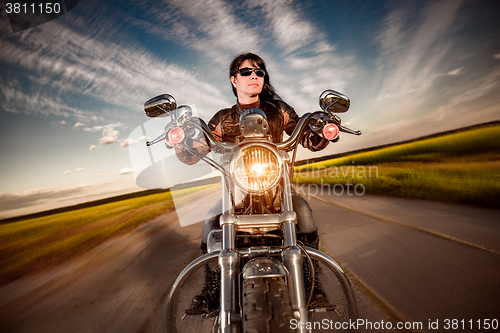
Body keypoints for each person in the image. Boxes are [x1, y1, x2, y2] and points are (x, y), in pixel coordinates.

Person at [178, 53, 331, 315]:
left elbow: (307, 138)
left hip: (278, 194)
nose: (254, 76)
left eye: (259, 72)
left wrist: (322, 130)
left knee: (303, 211)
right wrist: (186, 143)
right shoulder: (223, 118)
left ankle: (312, 283)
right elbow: (198, 148)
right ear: (234, 79)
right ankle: (212, 287)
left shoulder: (279, 111)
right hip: (236, 198)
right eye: (247, 72)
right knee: (209, 221)